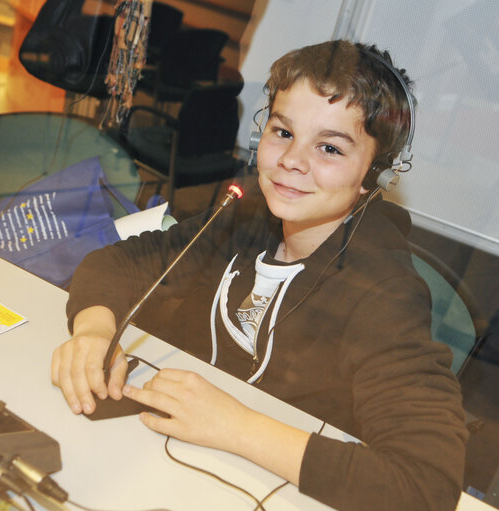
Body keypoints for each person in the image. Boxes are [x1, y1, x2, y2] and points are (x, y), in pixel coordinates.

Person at [51, 40, 468, 511]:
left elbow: (424, 488)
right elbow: (119, 264)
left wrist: (237, 427)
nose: (293, 161)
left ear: (375, 172)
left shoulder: (384, 293)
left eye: (329, 147)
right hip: (174, 466)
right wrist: (93, 330)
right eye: (283, 132)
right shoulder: (247, 213)